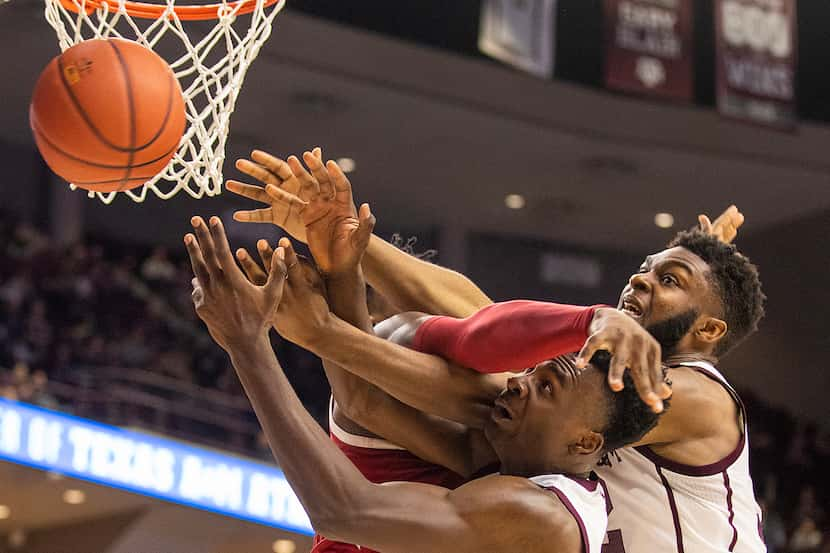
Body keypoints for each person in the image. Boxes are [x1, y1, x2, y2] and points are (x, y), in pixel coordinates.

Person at [229, 149, 766, 553]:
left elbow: (481, 390)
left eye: (668, 279)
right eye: (645, 268)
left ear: (709, 331)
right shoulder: (585, 412)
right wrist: (346, 241)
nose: (641, 281)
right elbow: (481, 321)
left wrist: (323, 332)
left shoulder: (694, 393)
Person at [183, 216, 663, 553]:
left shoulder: (540, 514)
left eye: (548, 387)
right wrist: (339, 272)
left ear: (586, 440)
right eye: (533, 371)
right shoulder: (513, 457)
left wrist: (247, 343)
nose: (517, 383)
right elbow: (364, 399)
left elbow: (344, 511)